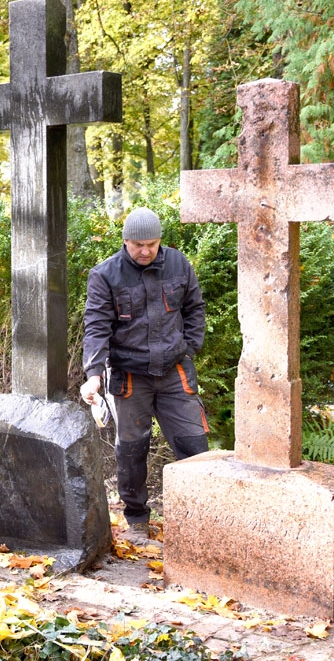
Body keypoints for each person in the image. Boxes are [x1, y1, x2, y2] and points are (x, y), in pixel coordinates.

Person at [80, 206, 209, 527]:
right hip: (128, 377)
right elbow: (96, 327)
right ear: (125, 241)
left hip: (175, 372)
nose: (145, 251)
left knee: (195, 446)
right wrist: (93, 374)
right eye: (138, 245)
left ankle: (202, 520)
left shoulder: (178, 264)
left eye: (151, 244)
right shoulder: (105, 275)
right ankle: (137, 517)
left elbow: (195, 308)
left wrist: (190, 347)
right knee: (132, 451)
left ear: (159, 240)